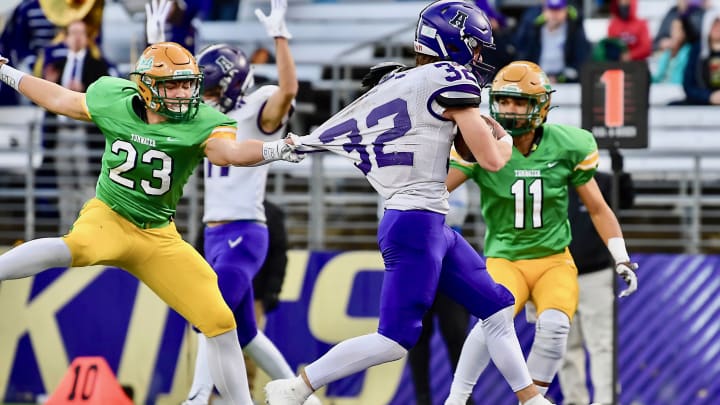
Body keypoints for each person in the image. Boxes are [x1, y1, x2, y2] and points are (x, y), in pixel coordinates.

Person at [264, 2, 553, 405]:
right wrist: (501, 134)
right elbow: (491, 159)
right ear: (452, 41)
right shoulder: (450, 80)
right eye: (474, 46)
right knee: (394, 340)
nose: (479, 57)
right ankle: (298, 387)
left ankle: (529, 398)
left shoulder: (407, 80)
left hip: (429, 220)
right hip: (415, 223)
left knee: (497, 307)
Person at [0, 38, 304, 405]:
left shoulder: (203, 120)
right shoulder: (114, 98)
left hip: (159, 236)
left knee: (221, 323)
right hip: (109, 217)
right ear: (145, 87)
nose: (182, 92)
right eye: (171, 84)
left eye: (186, 83)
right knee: (74, 247)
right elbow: (60, 99)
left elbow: (229, 153)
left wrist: (275, 149)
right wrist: (6, 72)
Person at [138, 0, 318, 403]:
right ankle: (302, 395)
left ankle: (199, 395)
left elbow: (288, 90)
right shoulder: (202, 113)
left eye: (215, 89)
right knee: (247, 334)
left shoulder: (257, 109)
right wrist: (156, 45)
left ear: (235, 84)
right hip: (212, 233)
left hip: (245, 230)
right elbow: (165, 98)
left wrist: (281, 36)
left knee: (209, 312)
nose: (208, 98)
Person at [443, 60, 639, 404]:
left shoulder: (567, 145)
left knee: (555, 328)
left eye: (519, 102)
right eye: (503, 101)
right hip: (505, 258)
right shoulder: (482, 144)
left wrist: (620, 256)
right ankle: (456, 399)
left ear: (541, 105)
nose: (510, 109)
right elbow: (439, 190)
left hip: (553, 260)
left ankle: (532, 399)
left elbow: (598, 207)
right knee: (493, 319)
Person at [558, 154, 635, 405]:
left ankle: (605, 401)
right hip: (558, 275)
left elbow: (626, 201)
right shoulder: (551, 183)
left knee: (601, 344)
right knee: (563, 346)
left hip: (596, 272)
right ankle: (574, 400)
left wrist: (621, 174)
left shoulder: (600, 181)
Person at [40, 19, 113, 233]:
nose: (77, 38)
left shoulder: (97, 65)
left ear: (88, 37)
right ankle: (67, 231)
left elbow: (104, 97)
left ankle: (88, 230)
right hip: (61, 132)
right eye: (73, 33)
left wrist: (84, 90)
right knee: (64, 184)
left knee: (85, 182)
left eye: (81, 33)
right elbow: (49, 99)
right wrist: (49, 82)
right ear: (66, 37)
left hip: (84, 133)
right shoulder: (57, 66)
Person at [407, 176, 473, 405]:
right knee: (416, 337)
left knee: (456, 334)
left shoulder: (449, 165)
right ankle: (422, 400)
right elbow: (386, 215)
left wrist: (414, 212)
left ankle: (464, 398)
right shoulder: (400, 170)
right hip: (415, 265)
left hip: (449, 266)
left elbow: (457, 211)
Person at [513, 0, 590, 83]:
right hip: (535, 80)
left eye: (558, 10)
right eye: (551, 10)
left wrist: (560, 78)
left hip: (565, 81)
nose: (554, 14)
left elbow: (581, 58)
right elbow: (521, 51)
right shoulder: (534, 28)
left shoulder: (574, 28)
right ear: (544, 11)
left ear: (565, 11)